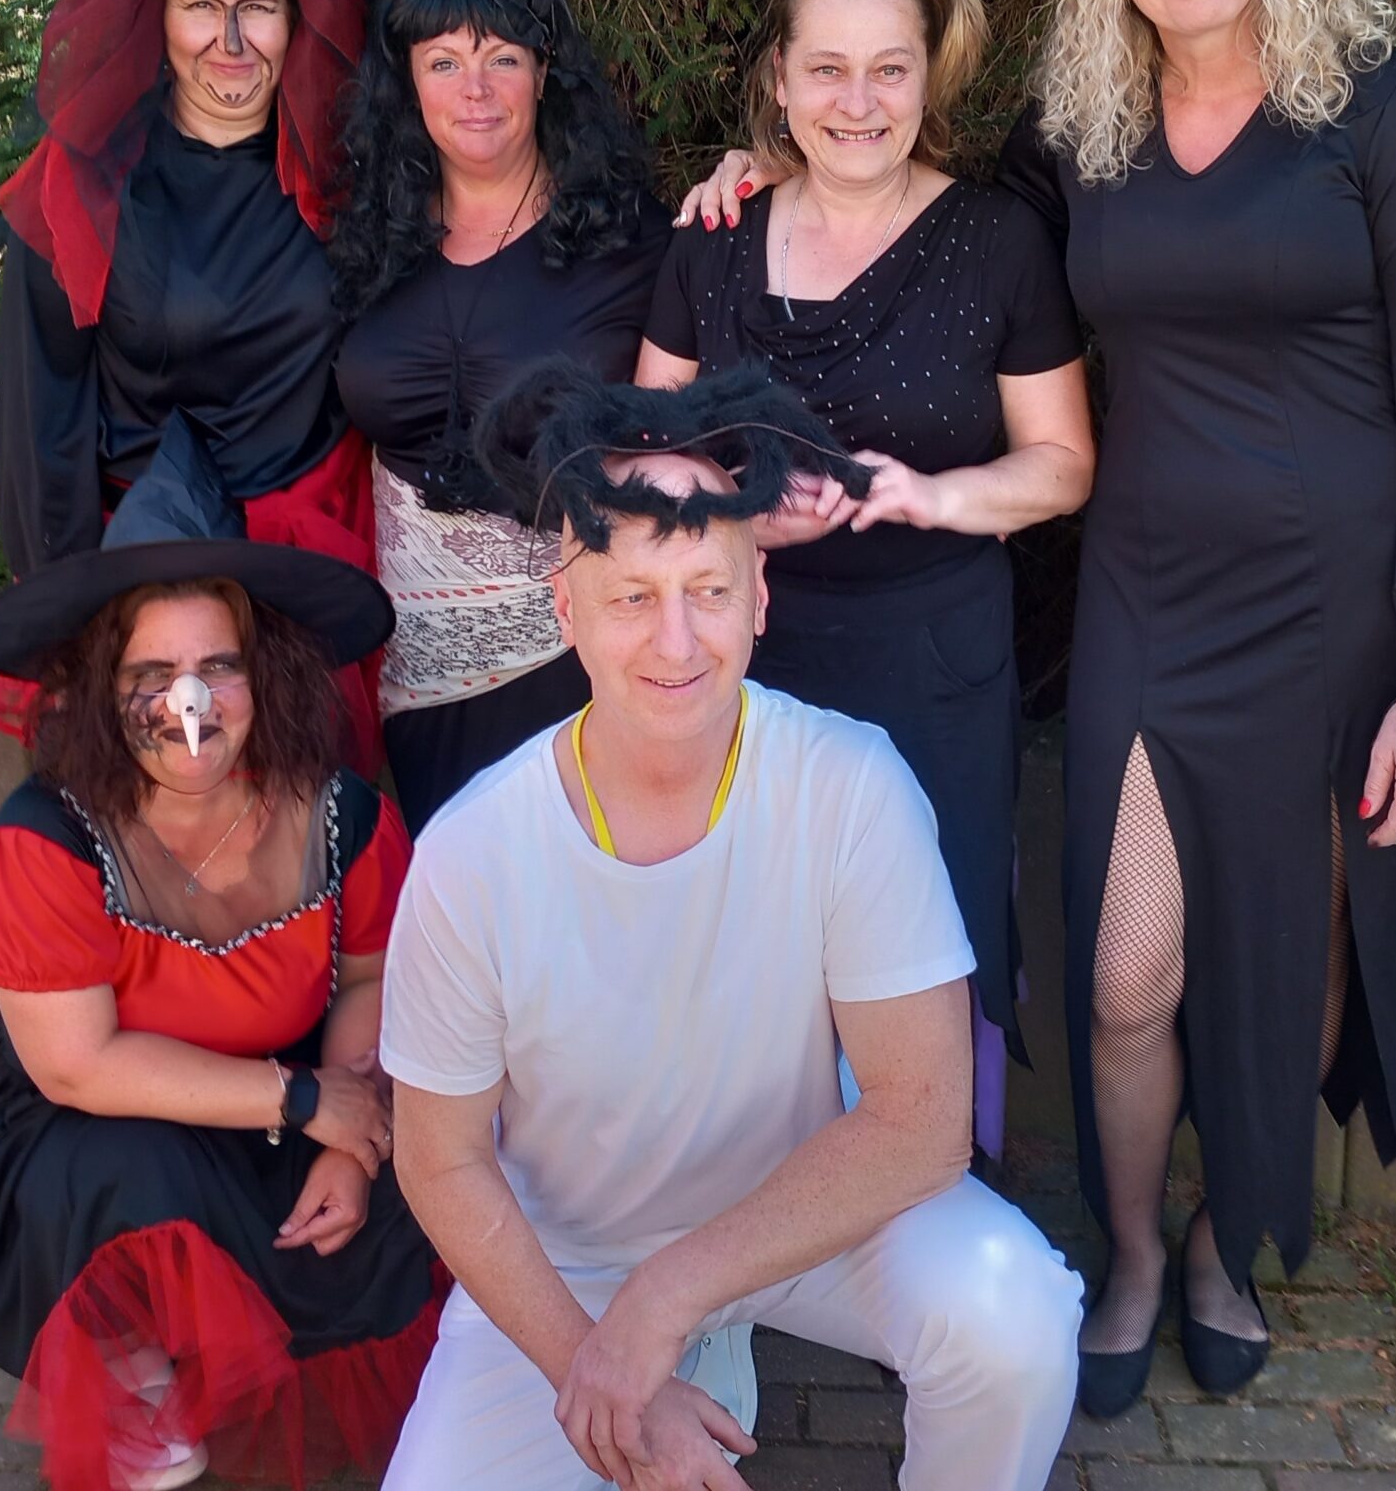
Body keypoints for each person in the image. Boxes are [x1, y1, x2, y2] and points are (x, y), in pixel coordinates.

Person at [997, 0, 1396, 1411]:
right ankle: (1135, 1249)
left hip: (1337, 615)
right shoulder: (1085, 138)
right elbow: (925, 229)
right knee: (1130, 979)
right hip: (1147, 599)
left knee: (1291, 965)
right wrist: (763, 169)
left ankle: (1228, 1238)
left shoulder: (1387, 117)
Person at [377, 364, 1083, 1491]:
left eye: (708, 589)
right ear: (566, 611)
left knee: (1014, 1313)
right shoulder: (473, 850)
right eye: (631, 597)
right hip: (574, 1258)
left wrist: (671, 1296)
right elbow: (441, 1157)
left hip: (802, 1217)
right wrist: (596, 1361)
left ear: (760, 597)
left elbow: (921, 1122)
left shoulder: (850, 785)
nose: (677, 642)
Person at [637, 0, 1094, 1160]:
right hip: (744, 662)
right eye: (826, 70)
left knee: (926, 950)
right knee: (747, 958)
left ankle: (929, 1212)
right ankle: (757, 1229)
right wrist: (730, 516)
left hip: (934, 663)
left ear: (927, 76)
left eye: (889, 70)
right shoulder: (711, 239)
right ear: (778, 83)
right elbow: (638, 450)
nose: (858, 102)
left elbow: (1063, 462)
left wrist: (938, 496)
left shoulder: (998, 244)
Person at [0, 416, 443, 1491]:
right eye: (151, 671)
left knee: (434, 1173)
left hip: (292, 1100)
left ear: (265, 675)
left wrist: (351, 1137)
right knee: (126, 1170)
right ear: (103, 688)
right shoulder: (45, 838)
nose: (186, 702)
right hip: (106, 1124)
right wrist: (306, 1103)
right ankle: (116, 1350)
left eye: (217, 666)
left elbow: (370, 977)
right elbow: (79, 1066)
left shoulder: (343, 814)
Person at [0, 0, 385, 762]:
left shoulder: (354, 176)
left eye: (259, 8)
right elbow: (42, 428)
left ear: (297, 18)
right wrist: (75, 628)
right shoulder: (85, 186)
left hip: (310, 582)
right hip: (145, 590)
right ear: (157, 17)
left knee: (306, 829)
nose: (231, 41)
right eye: (202, 6)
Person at [331, 0, 668, 824]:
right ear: (409, 83)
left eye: (502, 58)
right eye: (443, 63)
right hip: (415, 678)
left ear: (545, 73)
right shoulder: (371, 240)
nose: (474, 90)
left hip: (582, 655)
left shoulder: (632, 240)